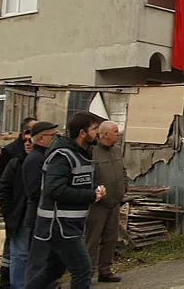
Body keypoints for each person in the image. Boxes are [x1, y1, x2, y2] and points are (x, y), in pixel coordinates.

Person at [26, 112, 104, 289]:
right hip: (59, 225)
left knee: (54, 270)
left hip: (70, 225)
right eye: (95, 129)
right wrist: (91, 196)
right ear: (82, 133)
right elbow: (54, 189)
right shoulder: (62, 156)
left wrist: (94, 191)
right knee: (83, 270)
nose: (97, 132)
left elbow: (77, 182)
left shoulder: (80, 154)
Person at [83, 121, 126, 283]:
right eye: (115, 131)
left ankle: (105, 270)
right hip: (97, 204)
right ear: (105, 134)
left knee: (111, 237)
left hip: (115, 202)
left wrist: (124, 188)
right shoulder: (92, 152)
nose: (119, 134)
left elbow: (123, 171)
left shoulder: (116, 150)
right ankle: (87, 273)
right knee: (92, 239)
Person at [0, 116, 36, 286]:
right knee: (16, 252)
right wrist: (9, 211)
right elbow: (3, 185)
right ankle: (9, 283)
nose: (29, 142)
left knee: (25, 252)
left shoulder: (40, 158)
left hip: (32, 214)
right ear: (23, 133)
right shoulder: (12, 154)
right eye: (28, 136)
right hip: (17, 213)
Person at [20, 121, 57, 289]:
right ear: (41, 138)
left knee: (47, 259)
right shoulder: (35, 159)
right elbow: (34, 191)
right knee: (37, 261)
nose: (55, 138)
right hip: (36, 216)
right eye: (52, 135)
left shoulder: (46, 156)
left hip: (45, 216)